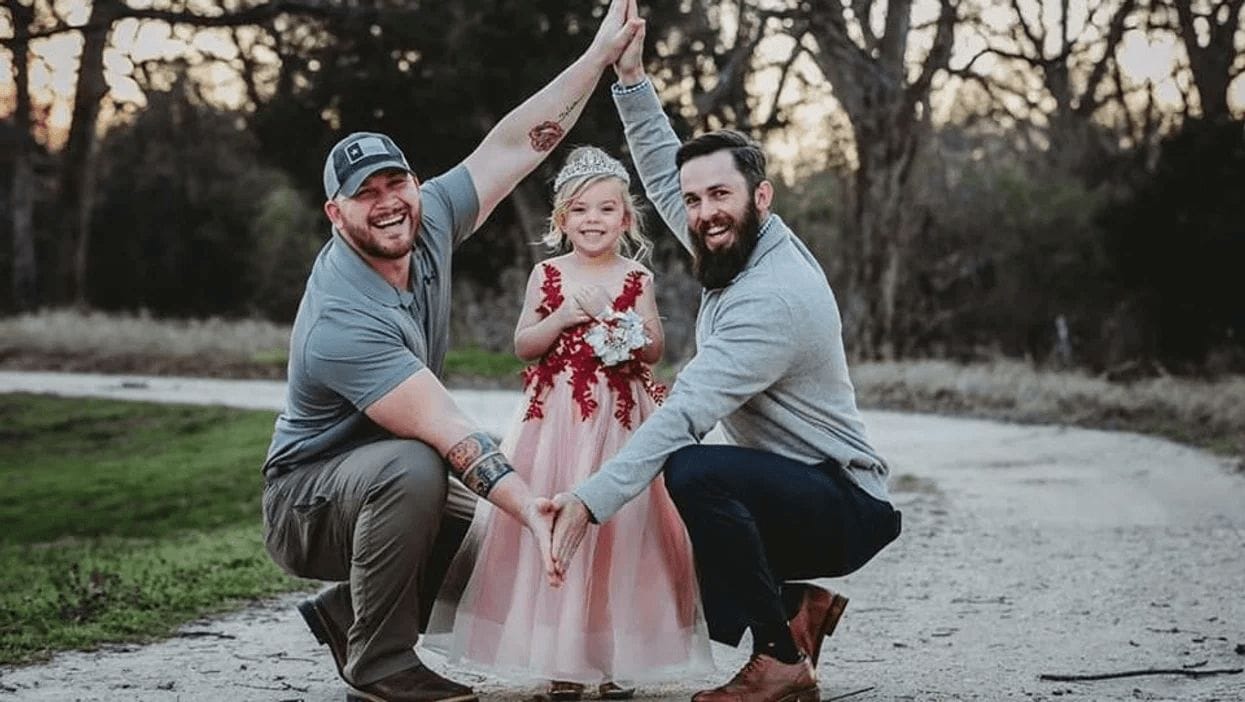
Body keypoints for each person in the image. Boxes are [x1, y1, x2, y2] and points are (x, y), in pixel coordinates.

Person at [258, 3, 645, 701]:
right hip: (307, 503)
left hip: (379, 483)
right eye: (364, 195)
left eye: (394, 183)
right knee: (421, 470)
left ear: (412, 183)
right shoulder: (343, 317)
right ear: (335, 214)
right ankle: (377, 663)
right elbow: (450, 432)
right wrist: (532, 506)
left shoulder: (429, 217)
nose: (387, 203)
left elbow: (516, 145)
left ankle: (348, 610)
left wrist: (597, 57)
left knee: (492, 548)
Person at [548, 13, 903, 702]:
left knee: (689, 473)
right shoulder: (733, 237)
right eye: (694, 200)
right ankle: (796, 609)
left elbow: (685, 415)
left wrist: (588, 502)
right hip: (799, 484)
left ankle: (779, 662)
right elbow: (660, 169)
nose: (702, 213)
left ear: (759, 196)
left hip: (842, 502)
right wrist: (630, 81)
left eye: (719, 195)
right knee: (671, 502)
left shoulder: (771, 297)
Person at [423, 147, 713, 700]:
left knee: (621, 536)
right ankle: (559, 658)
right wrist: (564, 316)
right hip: (556, 421)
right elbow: (524, 345)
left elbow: (653, 350)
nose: (593, 221)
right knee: (554, 526)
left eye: (606, 210)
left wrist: (619, 323)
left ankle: (607, 658)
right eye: (580, 211)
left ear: (625, 220)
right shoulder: (548, 274)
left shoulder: (637, 277)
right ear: (561, 220)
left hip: (620, 422)